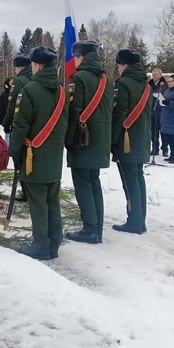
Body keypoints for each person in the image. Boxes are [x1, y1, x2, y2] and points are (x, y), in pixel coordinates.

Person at [8, 47, 68, 260]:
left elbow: (20, 125)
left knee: (38, 204)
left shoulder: (30, 90)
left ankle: (42, 245)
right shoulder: (62, 90)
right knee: (52, 200)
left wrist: (14, 153)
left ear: (37, 65)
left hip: (34, 155)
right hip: (53, 156)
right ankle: (54, 243)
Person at [64, 41, 113, 244]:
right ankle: (97, 227)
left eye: (75, 57)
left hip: (83, 139)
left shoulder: (79, 79)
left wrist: (68, 140)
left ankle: (90, 229)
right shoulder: (106, 80)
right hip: (101, 138)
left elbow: (74, 111)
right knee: (94, 181)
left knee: (83, 183)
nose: (74, 61)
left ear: (81, 57)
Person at [111, 49, 151, 235]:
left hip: (127, 138)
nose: (118, 69)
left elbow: (119, 114)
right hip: (142, 137)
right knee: (138, 177)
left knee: (130, 180)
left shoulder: (123, 84)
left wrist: (112, 139)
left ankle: (134, 221)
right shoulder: (146, 84)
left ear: (125, 65)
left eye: (119, 65)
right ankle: (140, 218)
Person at [2, 54, 33, 201]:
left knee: (18, 159)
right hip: (36, 128)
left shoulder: (19, 81)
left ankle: (26, 191)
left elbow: (12, 105)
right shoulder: (36, 77)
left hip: (20, 125)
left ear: (20, 67)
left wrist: (6, 125)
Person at [149, 68, 169, 159]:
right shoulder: (150, 84)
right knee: (153, 132)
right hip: (152, 111)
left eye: (155, 75)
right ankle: (155, 148)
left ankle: (165, 149)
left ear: (160, 75)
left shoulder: (164, 85)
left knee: (164, 132)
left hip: (162, 112)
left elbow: (167, 96)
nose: (153, 76)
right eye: (152, 75)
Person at [0, 76, 14, 145]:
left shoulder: (16, 93)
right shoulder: (3, 95)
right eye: (10, 82)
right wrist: (2, 121)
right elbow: (1, 109)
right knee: (7, 135)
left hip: (14, 120)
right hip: (7, 120)